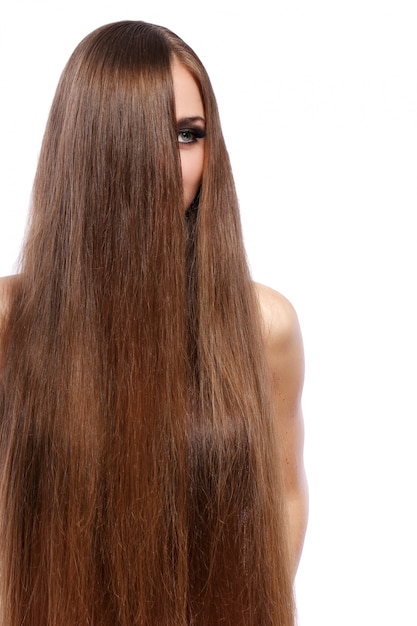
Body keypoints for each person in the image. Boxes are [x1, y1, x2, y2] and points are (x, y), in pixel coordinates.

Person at [0, 20, 308, 626]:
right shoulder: (13, 324)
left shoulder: (263, 326)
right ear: (88, 147)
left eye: (188, 135)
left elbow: (285, 500)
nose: (169, 163)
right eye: (140, 136)